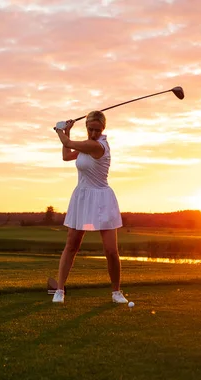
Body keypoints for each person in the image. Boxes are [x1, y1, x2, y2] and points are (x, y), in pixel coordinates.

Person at [52, 110, 128, 304]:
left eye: (97, 129)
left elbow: (67, 144)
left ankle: (116, 292)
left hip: (102, 198)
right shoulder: (87, 146)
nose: (93, 133)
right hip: (83, 197)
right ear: (86, 127)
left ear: (103, 129)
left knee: (111, 250)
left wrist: (61, 130)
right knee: (72, 245)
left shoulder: (97, 146)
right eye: (90, 129)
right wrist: (66, 132)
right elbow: (66, 155)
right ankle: (59, 290)